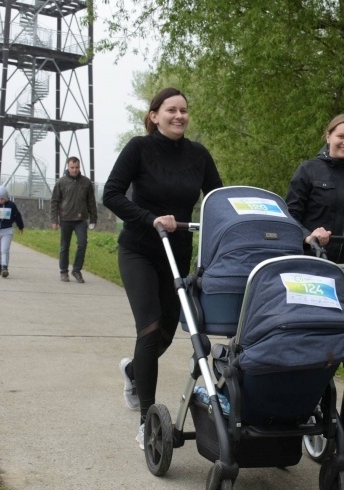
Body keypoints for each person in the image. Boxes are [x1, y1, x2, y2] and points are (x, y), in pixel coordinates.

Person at [102, 87, 223, 450]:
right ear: (154, 115)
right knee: (150, 328)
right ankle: (147, 422)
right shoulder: (139, 148)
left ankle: (131, 371)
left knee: (169, 332)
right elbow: (112, 193)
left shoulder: (198, 155)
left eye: (184, 110)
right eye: (171, 110)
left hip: (178, 252)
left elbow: (218, 199)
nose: (179, 116)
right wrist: (151, 219)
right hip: (138, 249)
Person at [285, 113, 344, 264]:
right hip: (308, 261)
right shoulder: (308, 169)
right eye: (341, 136)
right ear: (328, 136)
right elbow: (290, 216)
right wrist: (308, 236)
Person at [50, 156, 98, 283]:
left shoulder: (86, 182)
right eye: (72, 167)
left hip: (81, 220)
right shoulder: (61, 182)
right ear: (68, 167)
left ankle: (76, 270)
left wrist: (93, 219)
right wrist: (54, 220)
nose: (75, 170)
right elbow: (54, 202)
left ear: (79, 167)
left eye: (77, 167)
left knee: (82, 244)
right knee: (64, 246)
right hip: (65, 219)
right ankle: (63, 272)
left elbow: (91, 202)